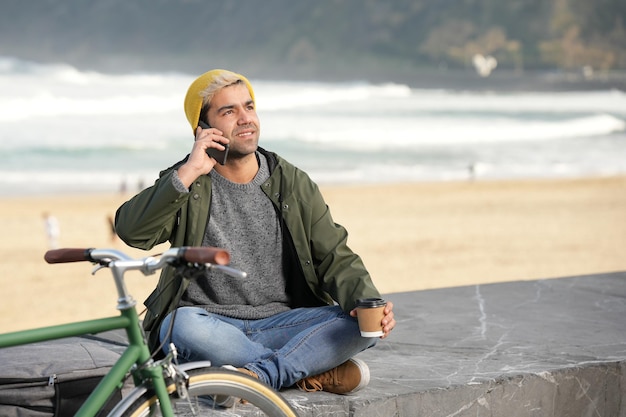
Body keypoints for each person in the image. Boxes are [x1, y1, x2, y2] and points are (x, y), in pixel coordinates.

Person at [114, 69, 395, 397]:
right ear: (202, 129)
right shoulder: (187, 181)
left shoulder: (291, 182)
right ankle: (305, 369)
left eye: (249, 107)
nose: (245, 118)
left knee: (361, 324)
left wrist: (364, 301)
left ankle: (254, 377)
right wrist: (189, 171)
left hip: (284, 326)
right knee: (180, 326)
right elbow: (133, 232)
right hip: (209, 326)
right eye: (229, 111)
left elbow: (334, 255)